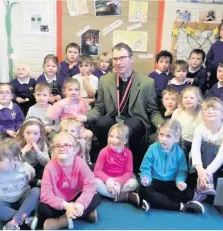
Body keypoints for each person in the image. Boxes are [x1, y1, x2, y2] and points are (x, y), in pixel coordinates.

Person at [85, 43, 163, 173]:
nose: (118, 62)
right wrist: (84, 117)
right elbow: (98, 108)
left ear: (131, 59)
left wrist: (161, 124)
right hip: (113, 120)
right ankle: (108, 160)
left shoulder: (147, 83)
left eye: (122, 58)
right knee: (102, 122)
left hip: (135, 122)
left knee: (131, 124)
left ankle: (130, 167)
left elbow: (153, 110)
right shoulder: (105, 80)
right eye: (115, 59)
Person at [38, 132, 101, 230]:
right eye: (57, 145)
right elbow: (45, 195)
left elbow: (90, 185)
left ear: (75, 150)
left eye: (66, 145)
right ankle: (84, 214)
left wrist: (80, 204)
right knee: (42, 209)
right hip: (60, 201)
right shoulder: (49, 167)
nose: (61, 148)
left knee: (96, 198)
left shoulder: (80, 163)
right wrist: (66, 206)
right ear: (53, 150)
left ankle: (62, 221)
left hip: (77, 197)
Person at [138, 120, 203, 213]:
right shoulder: (152, 148)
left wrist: (180, 181)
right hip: (154, 182)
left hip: (171, 184)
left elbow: (181, 171)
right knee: (144, 190)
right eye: (161, 134)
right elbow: (145, 168)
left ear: (176, 138)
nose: (163, 139)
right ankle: (181, 207)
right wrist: (146, 178)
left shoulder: (179, 152)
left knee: (189, 193)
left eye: (168, 136)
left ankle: (153, 201)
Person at [188, 97, 223, 205]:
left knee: (210, 147)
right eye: (206, 109)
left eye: (214, 109)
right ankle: (205, 185)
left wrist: (208, 171)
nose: (210, 111)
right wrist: (200, 170)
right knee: (207, 147)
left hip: (217, 162)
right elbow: (195, 149)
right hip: (200, 160)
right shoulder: (200, 128)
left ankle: (200, 189)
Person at [94, 123, 139, 205]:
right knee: (95, 183)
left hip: (121, 180)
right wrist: (108, 181)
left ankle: (112, 193)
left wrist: (119, 182)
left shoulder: (128, 153)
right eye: (111, 136)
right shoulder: (104, 151)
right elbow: (97, 171)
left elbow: (128, 172)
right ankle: (124, 196)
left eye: (118, 137)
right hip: (106, 180)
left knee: (134, 183)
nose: (113, 140)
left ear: (125, 141)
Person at [16, 117, 50, 187]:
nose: (31, 136)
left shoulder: (42, 144)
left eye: (35, 133)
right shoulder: (18, 143)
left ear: (40, 135)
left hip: (37, 167)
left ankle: (36, 182)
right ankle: (34, 182)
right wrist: (23, 151)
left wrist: (38, 151)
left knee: (47, 171)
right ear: (23, 133)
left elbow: (46, 163)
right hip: (23, 167)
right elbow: (14, 162)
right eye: (28, 133)